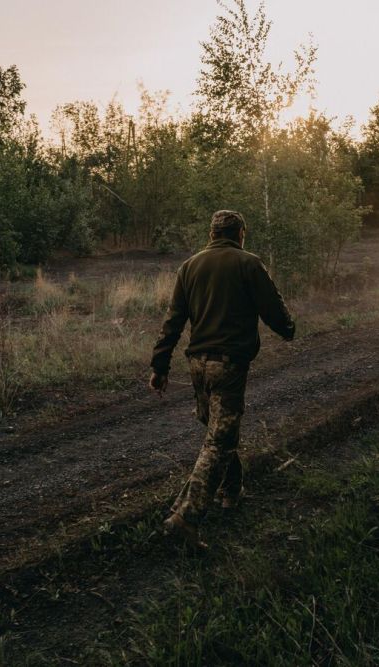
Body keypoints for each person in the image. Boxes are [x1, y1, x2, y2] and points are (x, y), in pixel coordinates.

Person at [150, 209, 295, 550]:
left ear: (212, 233)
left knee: (217, 430)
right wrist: (288, 328)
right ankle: (186, 516)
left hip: (197, 365)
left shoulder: (189, 266)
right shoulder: (248, 263)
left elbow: (173, 320)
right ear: (240, 233)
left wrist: (159, 366)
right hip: (228, 365)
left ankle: (231, 491)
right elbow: (272, 308)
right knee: (220, 441)